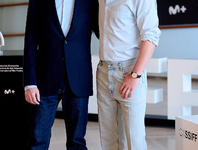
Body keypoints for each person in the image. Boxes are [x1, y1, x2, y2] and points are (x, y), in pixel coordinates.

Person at [23, 0, 98, 149]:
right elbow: (30, 40)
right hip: (44, 80)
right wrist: (29, 83)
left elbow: (104, 31)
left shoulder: (90, 1)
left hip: (78, 79)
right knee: (37, 141)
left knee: (77, 142)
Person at [97, 0, 161, 149]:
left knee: (135, 141)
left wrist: (135, 75)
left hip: (129, 72)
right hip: (104, 71)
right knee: (108, 140)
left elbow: (151, 37)